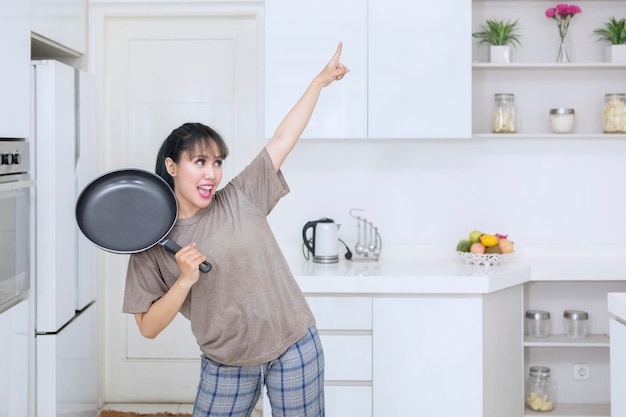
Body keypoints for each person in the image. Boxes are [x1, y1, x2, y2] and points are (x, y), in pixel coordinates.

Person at [122, 42, 349, 417]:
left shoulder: (241, 196)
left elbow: (282, 139)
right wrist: (183, 281)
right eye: (199, 162)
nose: (211, 173)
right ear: (172, 166)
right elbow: (147, 328)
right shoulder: (149, 242)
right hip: (225, 361)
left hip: (294, 346)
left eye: (217, 162)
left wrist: (319, 82)